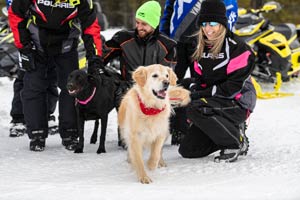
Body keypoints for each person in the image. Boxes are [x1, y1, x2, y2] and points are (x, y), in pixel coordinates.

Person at [8, 0, 103, 151]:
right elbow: (15, 14)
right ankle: (37, 134)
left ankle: (70, 133)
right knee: (34, 86)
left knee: (72, 88)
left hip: (66, 44)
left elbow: (90, 26)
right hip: (35, 43)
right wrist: (24, 45)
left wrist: (95, 58)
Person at [175, 0, 257, 162]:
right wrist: (185, 90)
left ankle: (235, 143)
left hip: (238, 103)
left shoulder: (238, 49)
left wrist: (196, 96)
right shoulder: (200, 48)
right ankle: (230, 131)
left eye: (213, 23)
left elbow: (232, 88)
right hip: (213, 102)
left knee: (195, 107)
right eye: (204, 24)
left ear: (222, 24)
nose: (208, 29)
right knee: (188, 150)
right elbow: (199, 81)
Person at [103, 1, 177, 147]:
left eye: (144, 23)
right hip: (128, 88)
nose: (139, 27)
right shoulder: (123, 38)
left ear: (154, 24)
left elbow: (166, 77)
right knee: (122, 91)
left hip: (155, 91)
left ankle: (159, 133)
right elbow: (102, 57)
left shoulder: (168, 45)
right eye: (137, 22)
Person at [159, 0, 238, 41]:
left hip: (205, 44)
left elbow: (230, 11)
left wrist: (220, 39)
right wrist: (163, 36)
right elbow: (169, 11)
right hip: (176, 41)